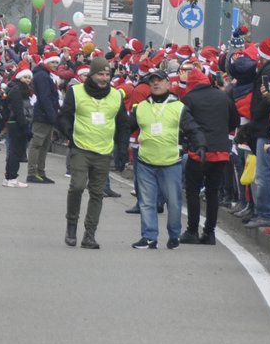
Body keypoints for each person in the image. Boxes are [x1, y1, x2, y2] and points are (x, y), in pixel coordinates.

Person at [55, 56, 128, 249]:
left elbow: (123, 124)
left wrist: (122, 150)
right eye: (100, 74)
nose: (104, 78)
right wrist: (68, 133)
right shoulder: (76, 92)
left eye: (107, 74)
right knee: (77, 186)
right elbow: (64, 116)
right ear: (91, 74)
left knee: (97, 193)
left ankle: (89, 234)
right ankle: (71, 226)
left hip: (104, 151)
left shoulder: (116, 95)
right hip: (81, 147)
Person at [130, 68, 203, 249]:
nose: (155, 83)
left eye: (159, 80)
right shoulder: (141, 108)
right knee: (146, 202)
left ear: (168, 84)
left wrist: (200, 145)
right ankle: (149, 237)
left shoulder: (178, 107)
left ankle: (174, 235)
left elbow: (193, 129)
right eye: (152, 81)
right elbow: (125, 127)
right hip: (145, 161)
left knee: (174, 203)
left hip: (170, 162)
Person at [179, 69, 238, 245]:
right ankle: (209, 232)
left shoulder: (189, 99)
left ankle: (192, 231)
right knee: (213, 192)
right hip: (220, 151)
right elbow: (234, 121)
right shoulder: (223, 97)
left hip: (198, 151)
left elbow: (183, 123)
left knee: (192, 192)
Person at [26, 52, 61, 181]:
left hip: (47, 114)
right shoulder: (42, 76)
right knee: (37, 144)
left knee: (45, 145)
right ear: (46, 62)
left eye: (57, 62)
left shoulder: (46, 75)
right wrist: (52, 115)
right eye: (53, 62)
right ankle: (32, 172)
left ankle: (40, 172)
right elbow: (44, 97)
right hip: (43, 115)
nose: (55, 65)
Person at [1, 64, 33, 186]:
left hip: (15, 122)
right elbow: (18, 110)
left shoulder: (17, 89)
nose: (28, 80)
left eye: (29, 78)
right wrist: (25, 126)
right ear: (19, 77)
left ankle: (8, 178)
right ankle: (12, 178)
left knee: (13, 152)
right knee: (16, 152)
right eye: (25, 77)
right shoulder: (18, 90)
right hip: (17, 123)